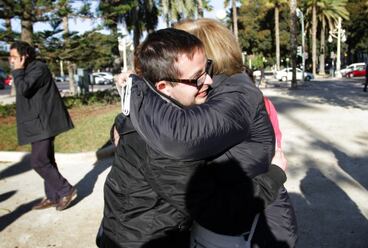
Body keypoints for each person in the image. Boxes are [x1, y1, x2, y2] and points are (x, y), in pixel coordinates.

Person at [100, 28, 286, 247]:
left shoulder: (160, 111)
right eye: (196, 78)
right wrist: (274, 175)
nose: (209, 80)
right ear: (163, 87)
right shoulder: (165, 143)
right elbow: (219, 211)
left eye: (207, 68)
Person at [9, 41, 77, 211]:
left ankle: (66, 190)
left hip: (44, 123)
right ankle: (53, 197)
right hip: (36, 123)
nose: (12, 60)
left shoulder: (38, 68)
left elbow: (24, 89)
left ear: (24, 57)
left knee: (38, 162)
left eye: (15, 57)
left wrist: (17, 70)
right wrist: (19, 71)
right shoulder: (27, 70)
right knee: (47, 160)